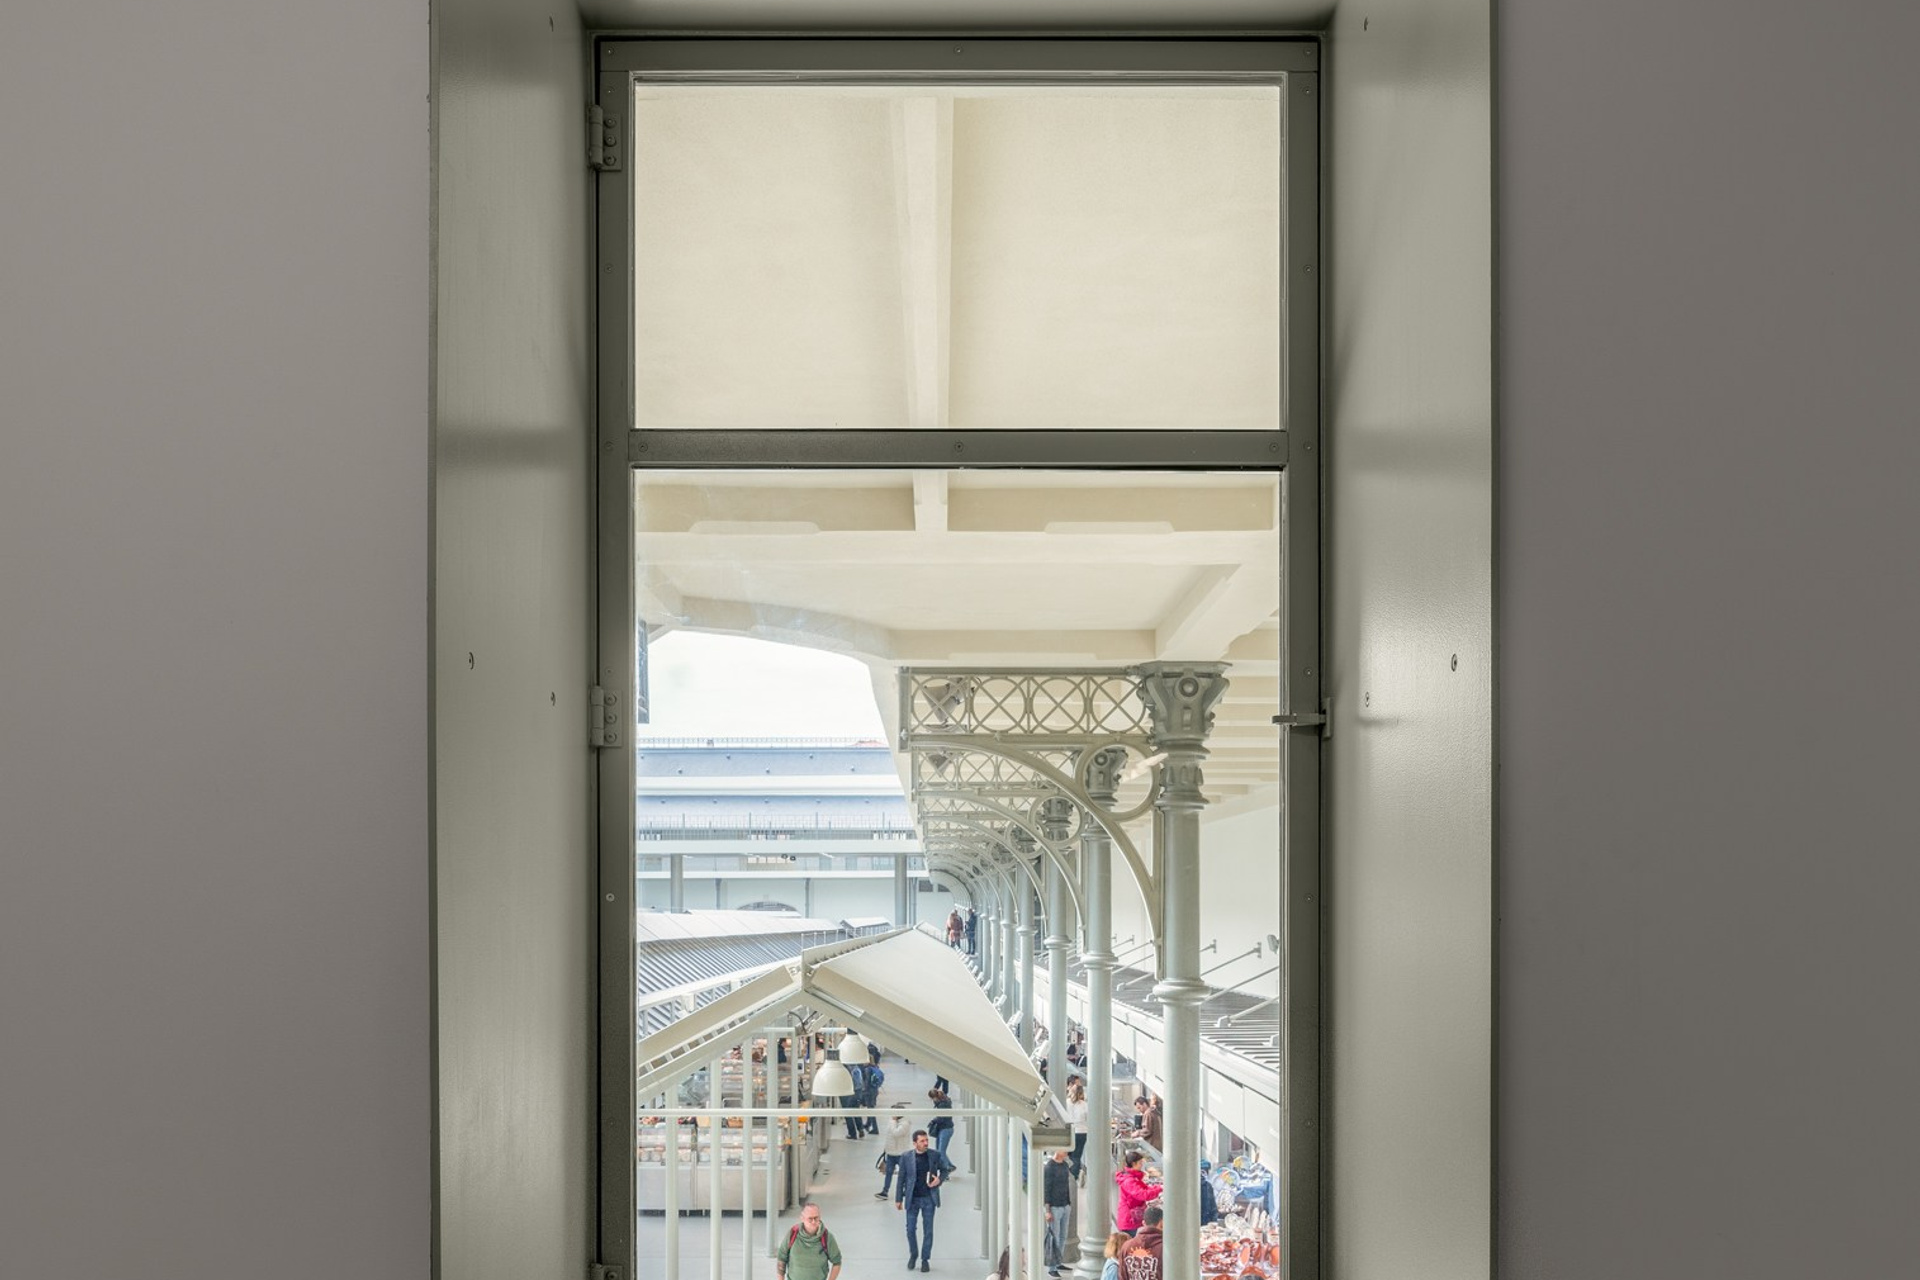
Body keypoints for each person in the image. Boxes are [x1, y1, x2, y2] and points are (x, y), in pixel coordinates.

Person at [895, 1129, 955, 1272]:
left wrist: (939, 1180)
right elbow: (901, 1179)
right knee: (910, 1229)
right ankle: (913, 1254)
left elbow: (945, 1169)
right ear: (915, 1143)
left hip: (929, 1198)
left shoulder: (934, 1155)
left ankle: (925, 1259)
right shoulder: (906, 1157)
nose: (926, 1143)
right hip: (912, 1199)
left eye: (926, 1140)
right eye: (922, 1141)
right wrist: (898, 1198)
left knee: (928, 1230)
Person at [776, 1202, 843, 1280]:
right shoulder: (792, 1234)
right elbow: (781, 1258)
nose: (814, 1222)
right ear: (802, 1218)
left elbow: (837, 1262)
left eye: (816, 1218)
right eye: (810, 1219)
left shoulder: (827, 1237)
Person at [1114, 1150, 1161, 1235]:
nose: (1142, 1165)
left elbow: (1145, 1188)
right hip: (1130, 1220)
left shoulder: (1132, 1177)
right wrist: (1159, 1189)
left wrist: (1157, 1188)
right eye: (1140, 1162)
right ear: (1133, 1164)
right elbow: (1142, 1194)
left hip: (1131, 1217)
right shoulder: (1129, 1180)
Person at [1043, 1148, 1074, 1276]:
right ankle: (1052, 1267)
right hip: (1055, 1207)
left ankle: (1058, 1262)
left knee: (1062, 1236)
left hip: (1065, 1205)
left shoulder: (1065, 1165)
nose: (1067, 1151)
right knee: (1054, 1237)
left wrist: (1068, 1203)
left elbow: (1066, 1185)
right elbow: (1046, 1189)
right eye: (1064, 1149)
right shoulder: (1050, 1167)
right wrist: (1047, 1210)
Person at [877, 1105, 913, 1199]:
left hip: (901, 1153)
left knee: (903, 1173)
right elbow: (889, 1136)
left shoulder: (905, 1123)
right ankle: (885, 1191)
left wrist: (892, 1122)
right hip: (891, 1152)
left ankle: (906, 1189)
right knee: (888, 1173)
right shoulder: (892, 1121)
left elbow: (896, 1133)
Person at [1119, 1204, 1164, 1280]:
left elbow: (1122, 1276)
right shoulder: (1164, 1248)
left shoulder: (1126, 1246)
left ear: (1143, 1223)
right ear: (1161, 1223)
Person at [1062, 1078, 1089, 1181]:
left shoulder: (1066, 1102)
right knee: (1077, 1156)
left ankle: (1066, 1174)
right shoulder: (1084, 1105)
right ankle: (1074, 1177)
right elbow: (1089, 1119)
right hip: (1081, 1132)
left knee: (1067, 1155)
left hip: (1069, 1131)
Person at [927, 1087, 956, 1160]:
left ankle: (947, 1168)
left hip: (945, 1129)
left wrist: (933, 1121)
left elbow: (941, 1118)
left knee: (940, 1152)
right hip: (944, 1128)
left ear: (934, 1097)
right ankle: (948, 1166)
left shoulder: (942, 1104)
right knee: (939, 1151)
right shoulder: (944, 1102)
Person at [1198, 1159, 1220, 1227]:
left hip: (1205, 1221)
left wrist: (1214, 1221)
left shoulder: (1208, 1186)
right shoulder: (1192, 1187)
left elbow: (1213, 1207)